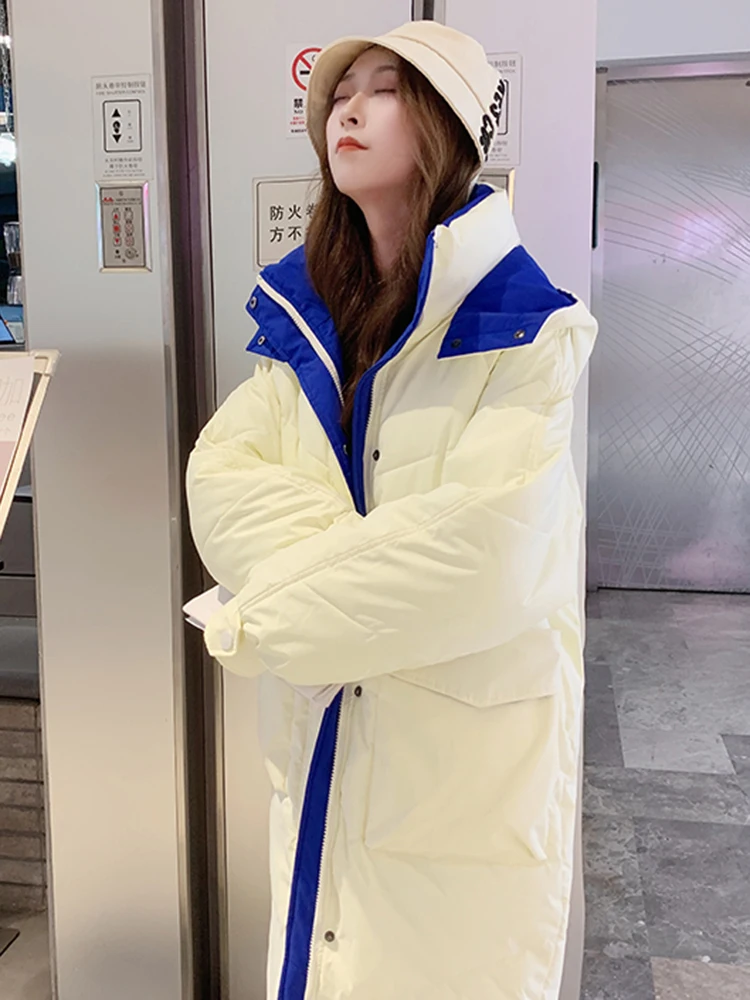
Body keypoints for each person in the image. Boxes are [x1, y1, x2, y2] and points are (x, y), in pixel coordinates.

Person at [186, 20, 598, 1000]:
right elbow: (220, 480)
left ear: (446, 125)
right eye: (339, 95)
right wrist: (375, 584)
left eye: (384, 89)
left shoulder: (525, 331)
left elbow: (487, 556)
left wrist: (260, 616)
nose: (349, 110)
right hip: (322, 746)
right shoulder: (302, 321)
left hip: (457, 782)